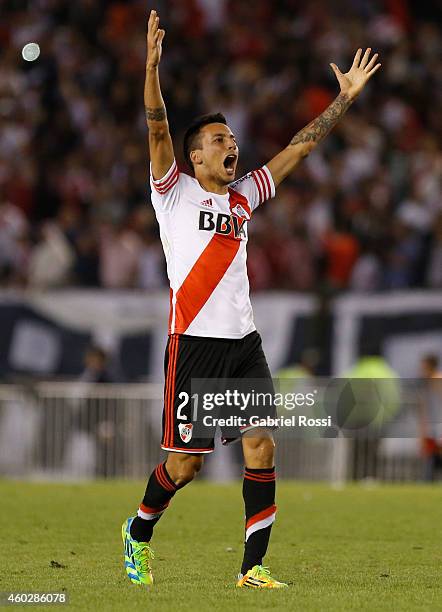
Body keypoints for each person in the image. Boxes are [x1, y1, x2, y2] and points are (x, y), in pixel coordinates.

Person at [122, 9, 381, 589]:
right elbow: (158, 127)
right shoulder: (173, 193)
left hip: (243, 346)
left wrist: (344, 101)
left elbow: (298, 151)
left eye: (232, 138)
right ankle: (138, 530)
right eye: (219, 140)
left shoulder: (244, 198)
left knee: (262, 445)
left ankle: (253, 567)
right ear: (195, 157)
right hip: (193, 348)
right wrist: (151, 68)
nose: (230, 145)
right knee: (185, 465)